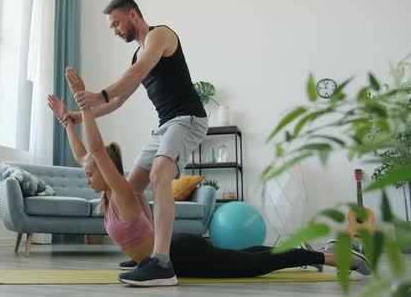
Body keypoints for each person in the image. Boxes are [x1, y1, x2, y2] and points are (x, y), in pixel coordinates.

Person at [48, 71, 371, 287]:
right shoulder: (108, 194)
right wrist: (66, 122)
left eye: (90, 174)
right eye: (87, 173)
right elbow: (84, 155)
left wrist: (84, 104)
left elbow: (94, 150)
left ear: (105, 172)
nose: (86, 177)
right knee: (250, 257)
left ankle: (341, 258)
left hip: (183, 255)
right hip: (177, 251)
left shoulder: (120, 193)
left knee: (258, 266)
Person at [60, 0, 208, 286]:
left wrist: (97, 94)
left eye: (116, 23)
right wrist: (83, 113)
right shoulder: (136, 54)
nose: (115, 30)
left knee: (159, 174)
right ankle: (151, 253)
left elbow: (136, 73)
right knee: (132, 186)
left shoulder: (160, 36)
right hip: (166, 125)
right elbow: (117, 102)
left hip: (188, 119)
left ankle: (162, 264)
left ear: (132, 14)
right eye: (111, 26)